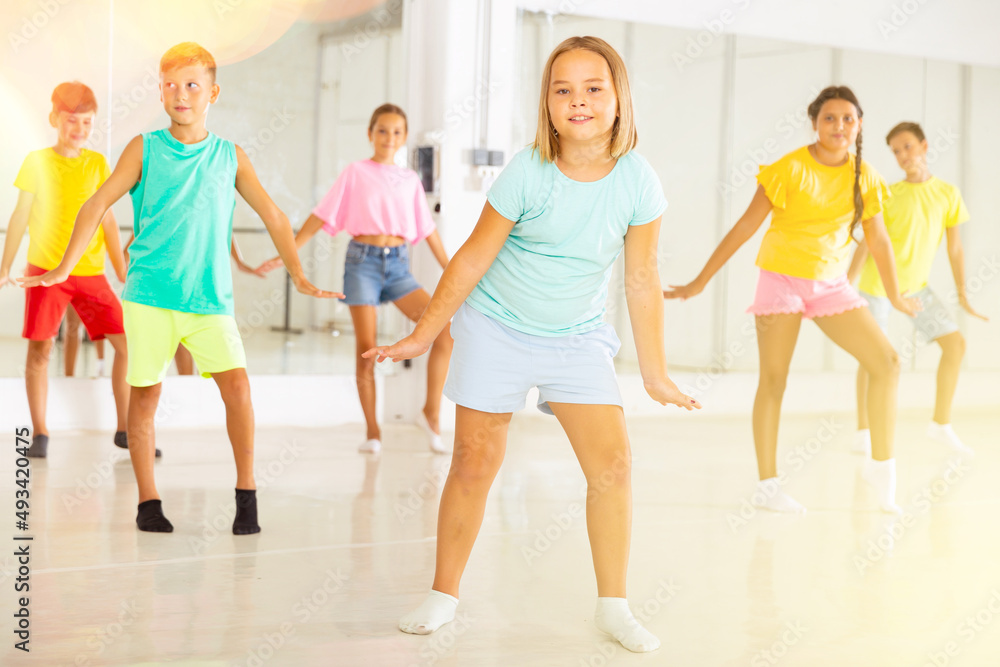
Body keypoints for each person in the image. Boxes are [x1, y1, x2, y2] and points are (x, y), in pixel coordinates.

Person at [366, 36, 698, 653]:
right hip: (497, 325)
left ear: (619, 98)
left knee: (615, 466)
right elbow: (470, 259)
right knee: (474, 461)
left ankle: (613, 607)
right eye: (562, 89)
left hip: (576, 336)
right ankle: (443, 592)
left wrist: (655, 375)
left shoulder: (638, 180)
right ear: (546, 103)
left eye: (593, 88)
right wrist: (423, 333)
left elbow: (642, 278)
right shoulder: (529, 169)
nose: (578, 102)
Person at [20, 42, 338, 533]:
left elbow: (272, 215)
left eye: (192, 84)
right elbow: (97, 203)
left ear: (213, 92)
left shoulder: (230, 155)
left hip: (210, 300)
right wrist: (63, 267)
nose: (181, 94)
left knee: (238, 387)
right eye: (170, 85)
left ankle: (247, 494)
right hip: (149, 296)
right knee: (144, 398)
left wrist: (299, 275)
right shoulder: (143, 148)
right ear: (160, 92)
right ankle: (149, 503)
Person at [665, 86, 919, 514]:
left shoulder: (864, 174)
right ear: (815, 123)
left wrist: (894, 295)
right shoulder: (789, 169)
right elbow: (745, 228)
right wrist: (699, 282)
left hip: (831, 285)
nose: (839, 126)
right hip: (781, 281)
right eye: (830, 118)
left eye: (848, 119)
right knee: (774, 381)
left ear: (859, 126)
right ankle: (768, 486)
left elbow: (877, 239)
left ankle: (882, 467)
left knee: (887, 362)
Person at [259, 103, 452, 455]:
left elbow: (428, 230)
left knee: (443, 332)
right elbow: (322, 215)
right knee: (366, 350)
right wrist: (289, 252)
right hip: (361, 262)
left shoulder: (410, 181)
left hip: (398, 266)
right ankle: (373, 432)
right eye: (382, 130)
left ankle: (431, 415)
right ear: (370, 133)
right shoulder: (356, 172)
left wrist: (454, 270)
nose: (388, 138)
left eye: (396, 132)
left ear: (404, 137)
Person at [0, 81, 129, 458]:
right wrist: (5, 266)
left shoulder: (98, 164)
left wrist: (121, 270)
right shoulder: (37, 161)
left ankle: (124, 428)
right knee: (41, 351)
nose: (80, 130)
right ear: (54, 118)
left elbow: (106, 220)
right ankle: (40, 432)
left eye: (87, 123)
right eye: (73, 121)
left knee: (127, 345)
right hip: (45, 272)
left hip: (90, 274)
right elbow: (20, 215)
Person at [849, 121, 987, 456]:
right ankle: (863, 432)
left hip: (915, 290)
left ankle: (941, 425)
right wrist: (846, 284)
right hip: (876, 288)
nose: (902, 155)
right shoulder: (888, 194)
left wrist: (963, 294)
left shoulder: (948, 194)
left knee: (954, 345)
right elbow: (868, 242)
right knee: (875, 360)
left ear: (924, 146)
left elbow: (955, 249)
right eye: (896, 151)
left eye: (907, 146)